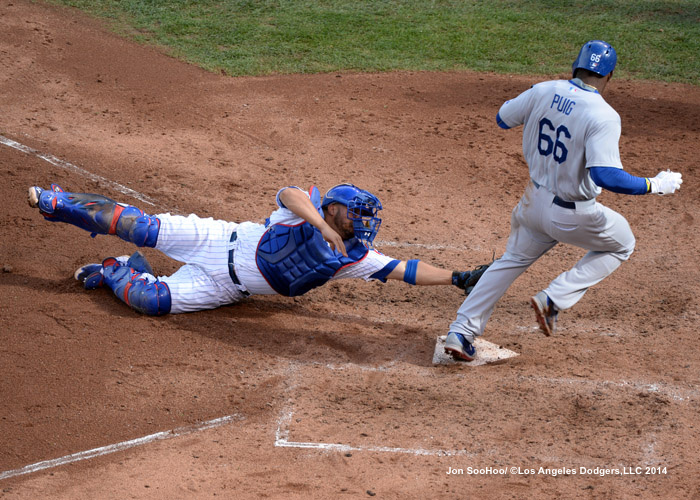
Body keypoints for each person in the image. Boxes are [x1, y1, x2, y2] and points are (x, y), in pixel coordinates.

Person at [444, 40, 683, 362]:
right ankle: (553, 298)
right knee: (621, 243)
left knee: (509, 261)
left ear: (575, 65)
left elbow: (502, 118)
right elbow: (606, 177)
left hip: (531, 204)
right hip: (572, 213)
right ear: (610, 75)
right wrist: (655, 184)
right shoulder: (603, 115)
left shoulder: (543, 90)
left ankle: (461, 332)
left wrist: (541, 102)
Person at [28, 182, 488, 316]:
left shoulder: (355, 258)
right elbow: (289, 193)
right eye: (356, 216)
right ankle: (58, 202)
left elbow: (403, 269)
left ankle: (117, 269)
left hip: (222, 289)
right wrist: (318, 227)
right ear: (333, 210)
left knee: (152, 301)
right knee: (136, 224)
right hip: (216, 239)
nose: (363, 224)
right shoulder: (302, 211)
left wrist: (456, 277)